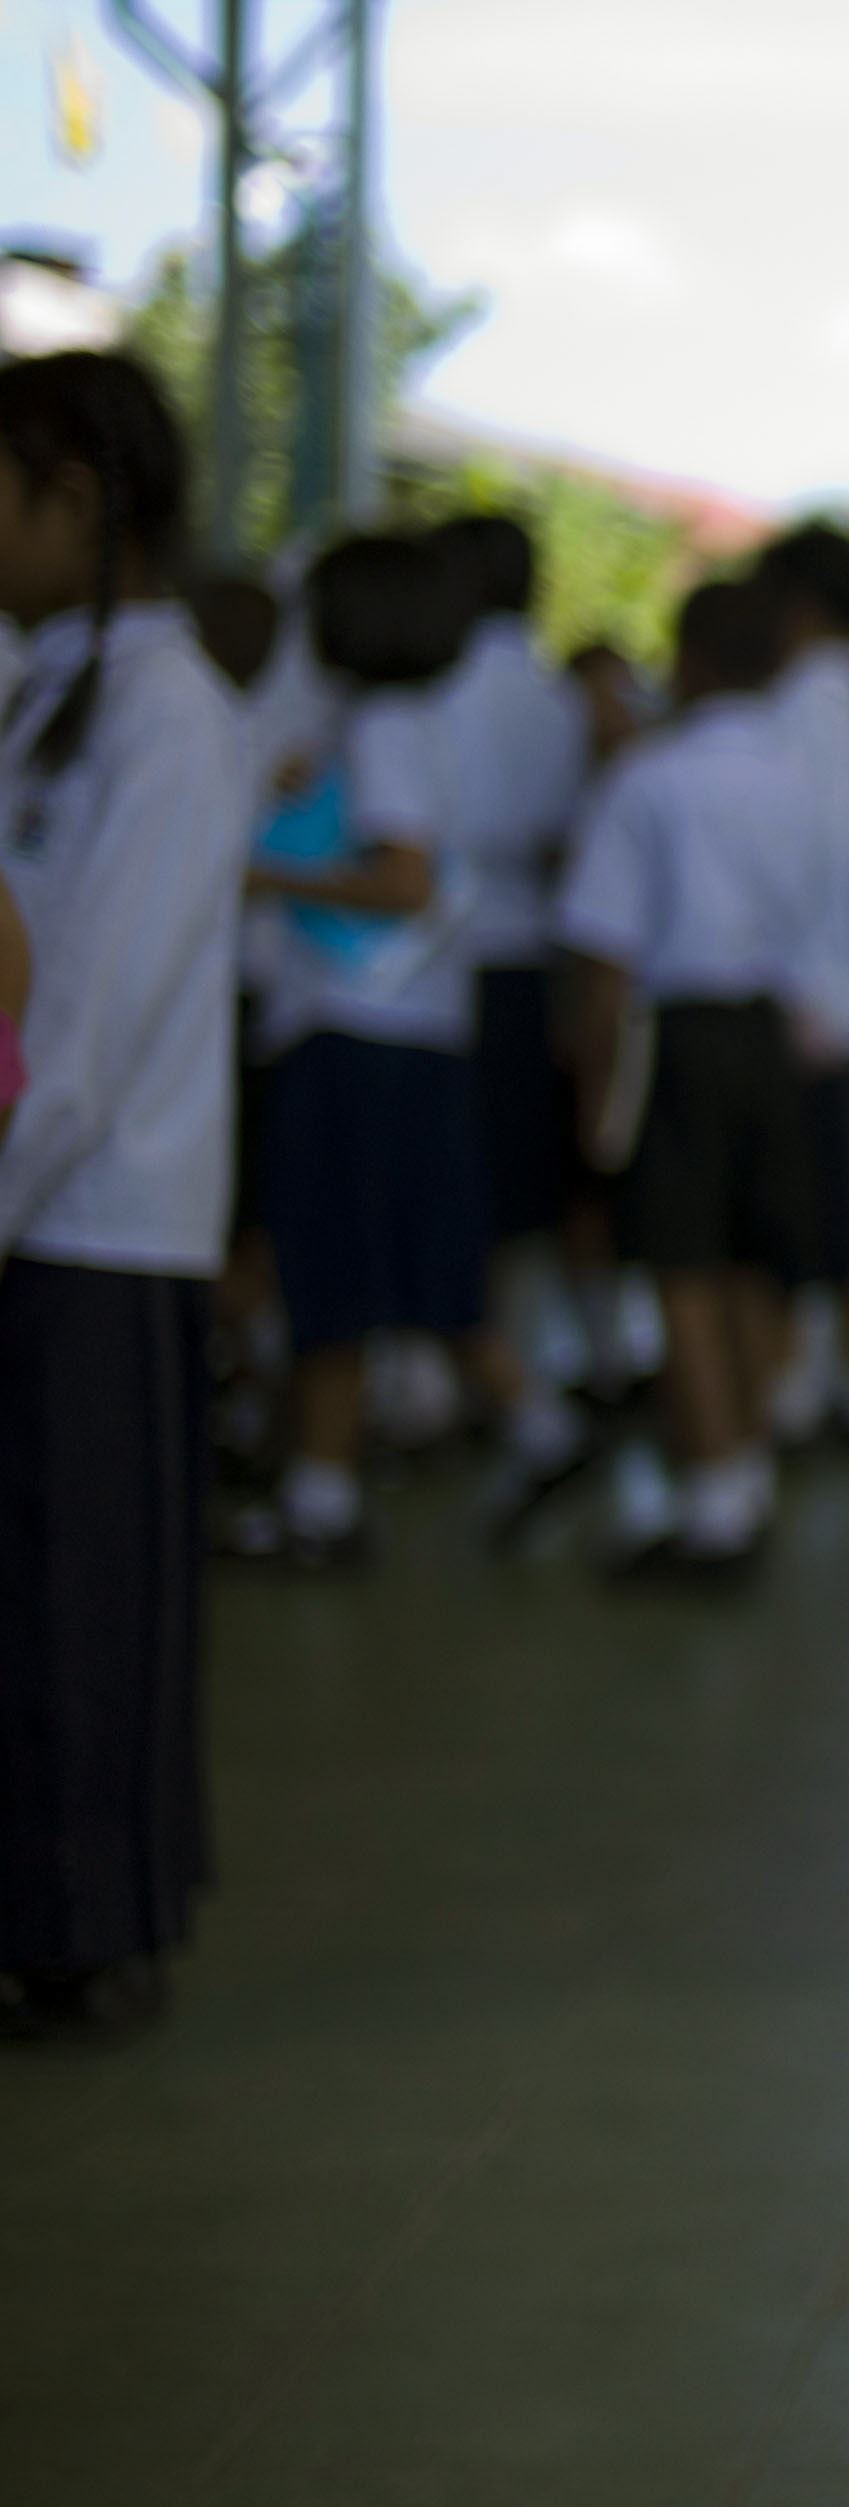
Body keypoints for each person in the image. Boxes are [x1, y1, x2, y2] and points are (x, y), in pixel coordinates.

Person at [0, 350, 247, 2041]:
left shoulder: (176, 718)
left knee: (79, 1586)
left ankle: (87, 1925)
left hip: (95, 1215)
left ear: (78, 502)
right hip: (36, 1198)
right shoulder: (45, 688)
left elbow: (83, 1027)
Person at [225, 531, 560, 1565]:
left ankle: (322, 1498)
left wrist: (265, 878)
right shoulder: (412, 724)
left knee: (331, 1260)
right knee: (419, 1254)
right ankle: (542, 1426)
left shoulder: (380, 728)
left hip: (354, 1027)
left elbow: (405, 880)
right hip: (415, 1029)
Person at [553, 579, 823, 1579]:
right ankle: (745, 1470)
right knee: (753, 1261)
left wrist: (594, 1086)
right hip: (767, 1027)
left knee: (682, 1265)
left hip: (677, 1032)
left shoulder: (651, 779)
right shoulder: (796, 781)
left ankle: (712, 1501)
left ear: (692, 659)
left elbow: (607, 949)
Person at [426, 511, 602, 1527]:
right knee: (510, 1191)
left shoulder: (441, 689)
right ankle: (492, 1374)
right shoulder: (552, 691)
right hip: (529, 958)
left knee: (457, 1181)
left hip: (453, 964)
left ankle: (464, 1386)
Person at [754, 521, 849, 1447]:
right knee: (846, 1195)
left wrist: (789, 976)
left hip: (810, 989)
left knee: (818, 1203)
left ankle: (820, 1376)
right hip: (839, 981)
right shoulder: (848, 692)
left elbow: (803, 848)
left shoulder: (810, 697)